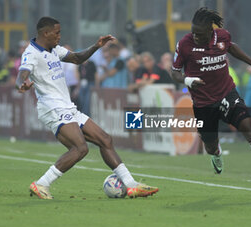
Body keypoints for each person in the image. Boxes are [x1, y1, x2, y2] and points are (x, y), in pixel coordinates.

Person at [15, 16, 158, 199]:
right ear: (46, 33)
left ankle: (131, 185)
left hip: (67, 106)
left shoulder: (53, 49)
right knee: (80, 148)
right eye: (57, 33)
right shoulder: (31, 53)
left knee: (105, 140)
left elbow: (76, 58)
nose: (60, 36)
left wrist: (96, 46)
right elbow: (22, 73)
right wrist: (22, 83)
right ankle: (42, 183)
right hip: (53, 108)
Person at [171, 7, 251, 199]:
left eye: (199, 33)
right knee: (209, 145)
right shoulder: (185, 44)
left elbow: (232, 48)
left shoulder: (222, 36)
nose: (194, 36)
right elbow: (175, 71)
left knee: (249, 128)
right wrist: (188, 80)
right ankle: (216, 153)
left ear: (210, 32)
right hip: (203, 103)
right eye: (193, 31)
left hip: (227, 94)